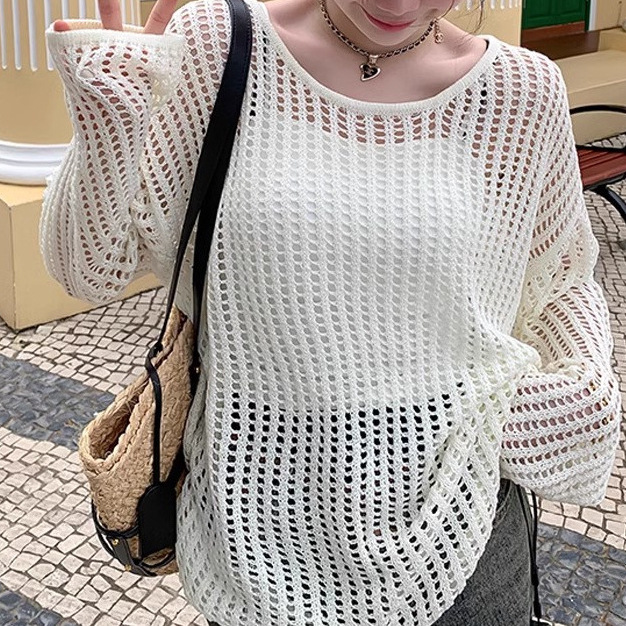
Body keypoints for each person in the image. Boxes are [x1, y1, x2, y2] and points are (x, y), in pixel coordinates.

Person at [41, 0, 622, 624]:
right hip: (255, 537)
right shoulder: (220, 45)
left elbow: (559, 278)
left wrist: (578, 388)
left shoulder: (520, 92)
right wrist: (115, 113)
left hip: (460, 534)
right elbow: (90, 269)